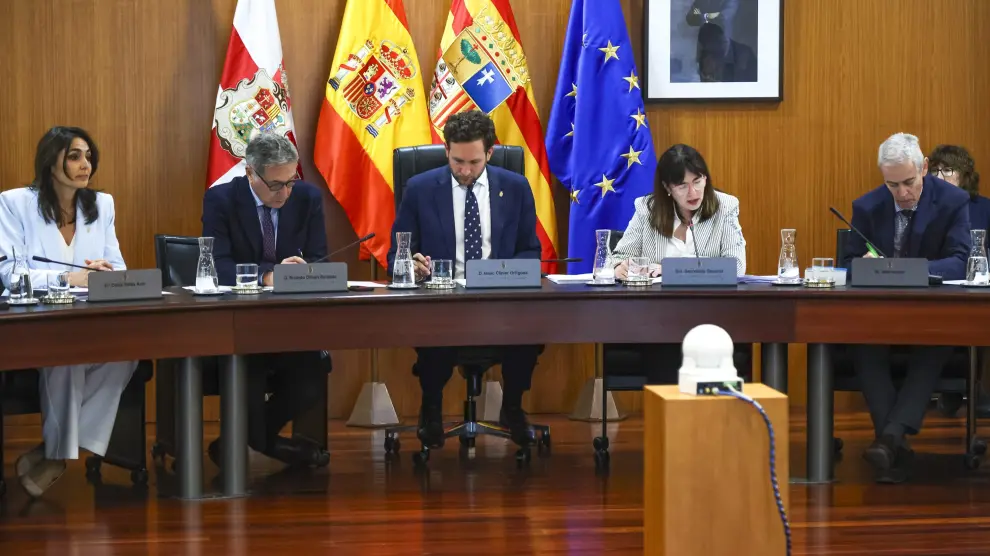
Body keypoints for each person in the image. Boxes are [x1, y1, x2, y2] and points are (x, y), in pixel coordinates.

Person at [386, 110, 542, 449]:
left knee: (532, 329)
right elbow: (396, 255)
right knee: (437, 335)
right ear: (446, 151)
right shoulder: (420, 189)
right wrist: (410, 264)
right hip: (441, 303)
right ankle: (431, 409)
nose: (466, 171)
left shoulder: (515, 188)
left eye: (474, 162)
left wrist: (501, 275)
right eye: (457, 161)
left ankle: (512, 408)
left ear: (490, 152)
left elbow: (530, 252)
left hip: (500, 301)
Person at [0, 126, 137, 497]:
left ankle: (54, 452)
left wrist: (105, 273)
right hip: (35, 324)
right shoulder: (15, 204)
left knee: (127, 355)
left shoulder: (101, 205)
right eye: (74, 156)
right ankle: (57, 456)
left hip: (89, 322)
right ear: (50, 162)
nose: (84, 165)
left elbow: (118, 268)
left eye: (88, 156)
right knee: (69, 354)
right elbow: (11, 275)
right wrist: (68, 278)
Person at [843, 132, 970, 483]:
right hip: (879, 317)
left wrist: (909, 271)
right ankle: (893, 443)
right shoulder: (867, 206)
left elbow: (961, 261)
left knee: (936, 342)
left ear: (924, 168)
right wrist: (865, 265)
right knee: (863, 345)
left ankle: (890, 439)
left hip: (933, 315)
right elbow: (848, 263)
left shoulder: (953, 201)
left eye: (909, 182)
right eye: (892, 185)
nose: (901, 193)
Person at [201, 132, 332, 466]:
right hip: (238, 326)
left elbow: (320, 258)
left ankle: (241, 442)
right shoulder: (220, 200)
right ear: (250, 173)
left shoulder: (307, 198)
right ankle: (269, 445)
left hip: (290, 324)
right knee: (249, 374)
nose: (285, 193)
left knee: (311, 377)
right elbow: (218, 265)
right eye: (275, 185)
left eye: (290, 182)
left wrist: (305, 270)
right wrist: (268, 275)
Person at [609, 144, 749, 385]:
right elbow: (618, 257)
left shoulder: (725, 207)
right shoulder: (647, 209)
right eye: (682, 186)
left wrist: (672, 269)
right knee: (664, 346)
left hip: (711, 316)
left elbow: (735, 267)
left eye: (698, 181)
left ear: (706, 179)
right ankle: (672, 407)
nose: (693, 192)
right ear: (667, 188)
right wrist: (619, 267)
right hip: (658, 318)